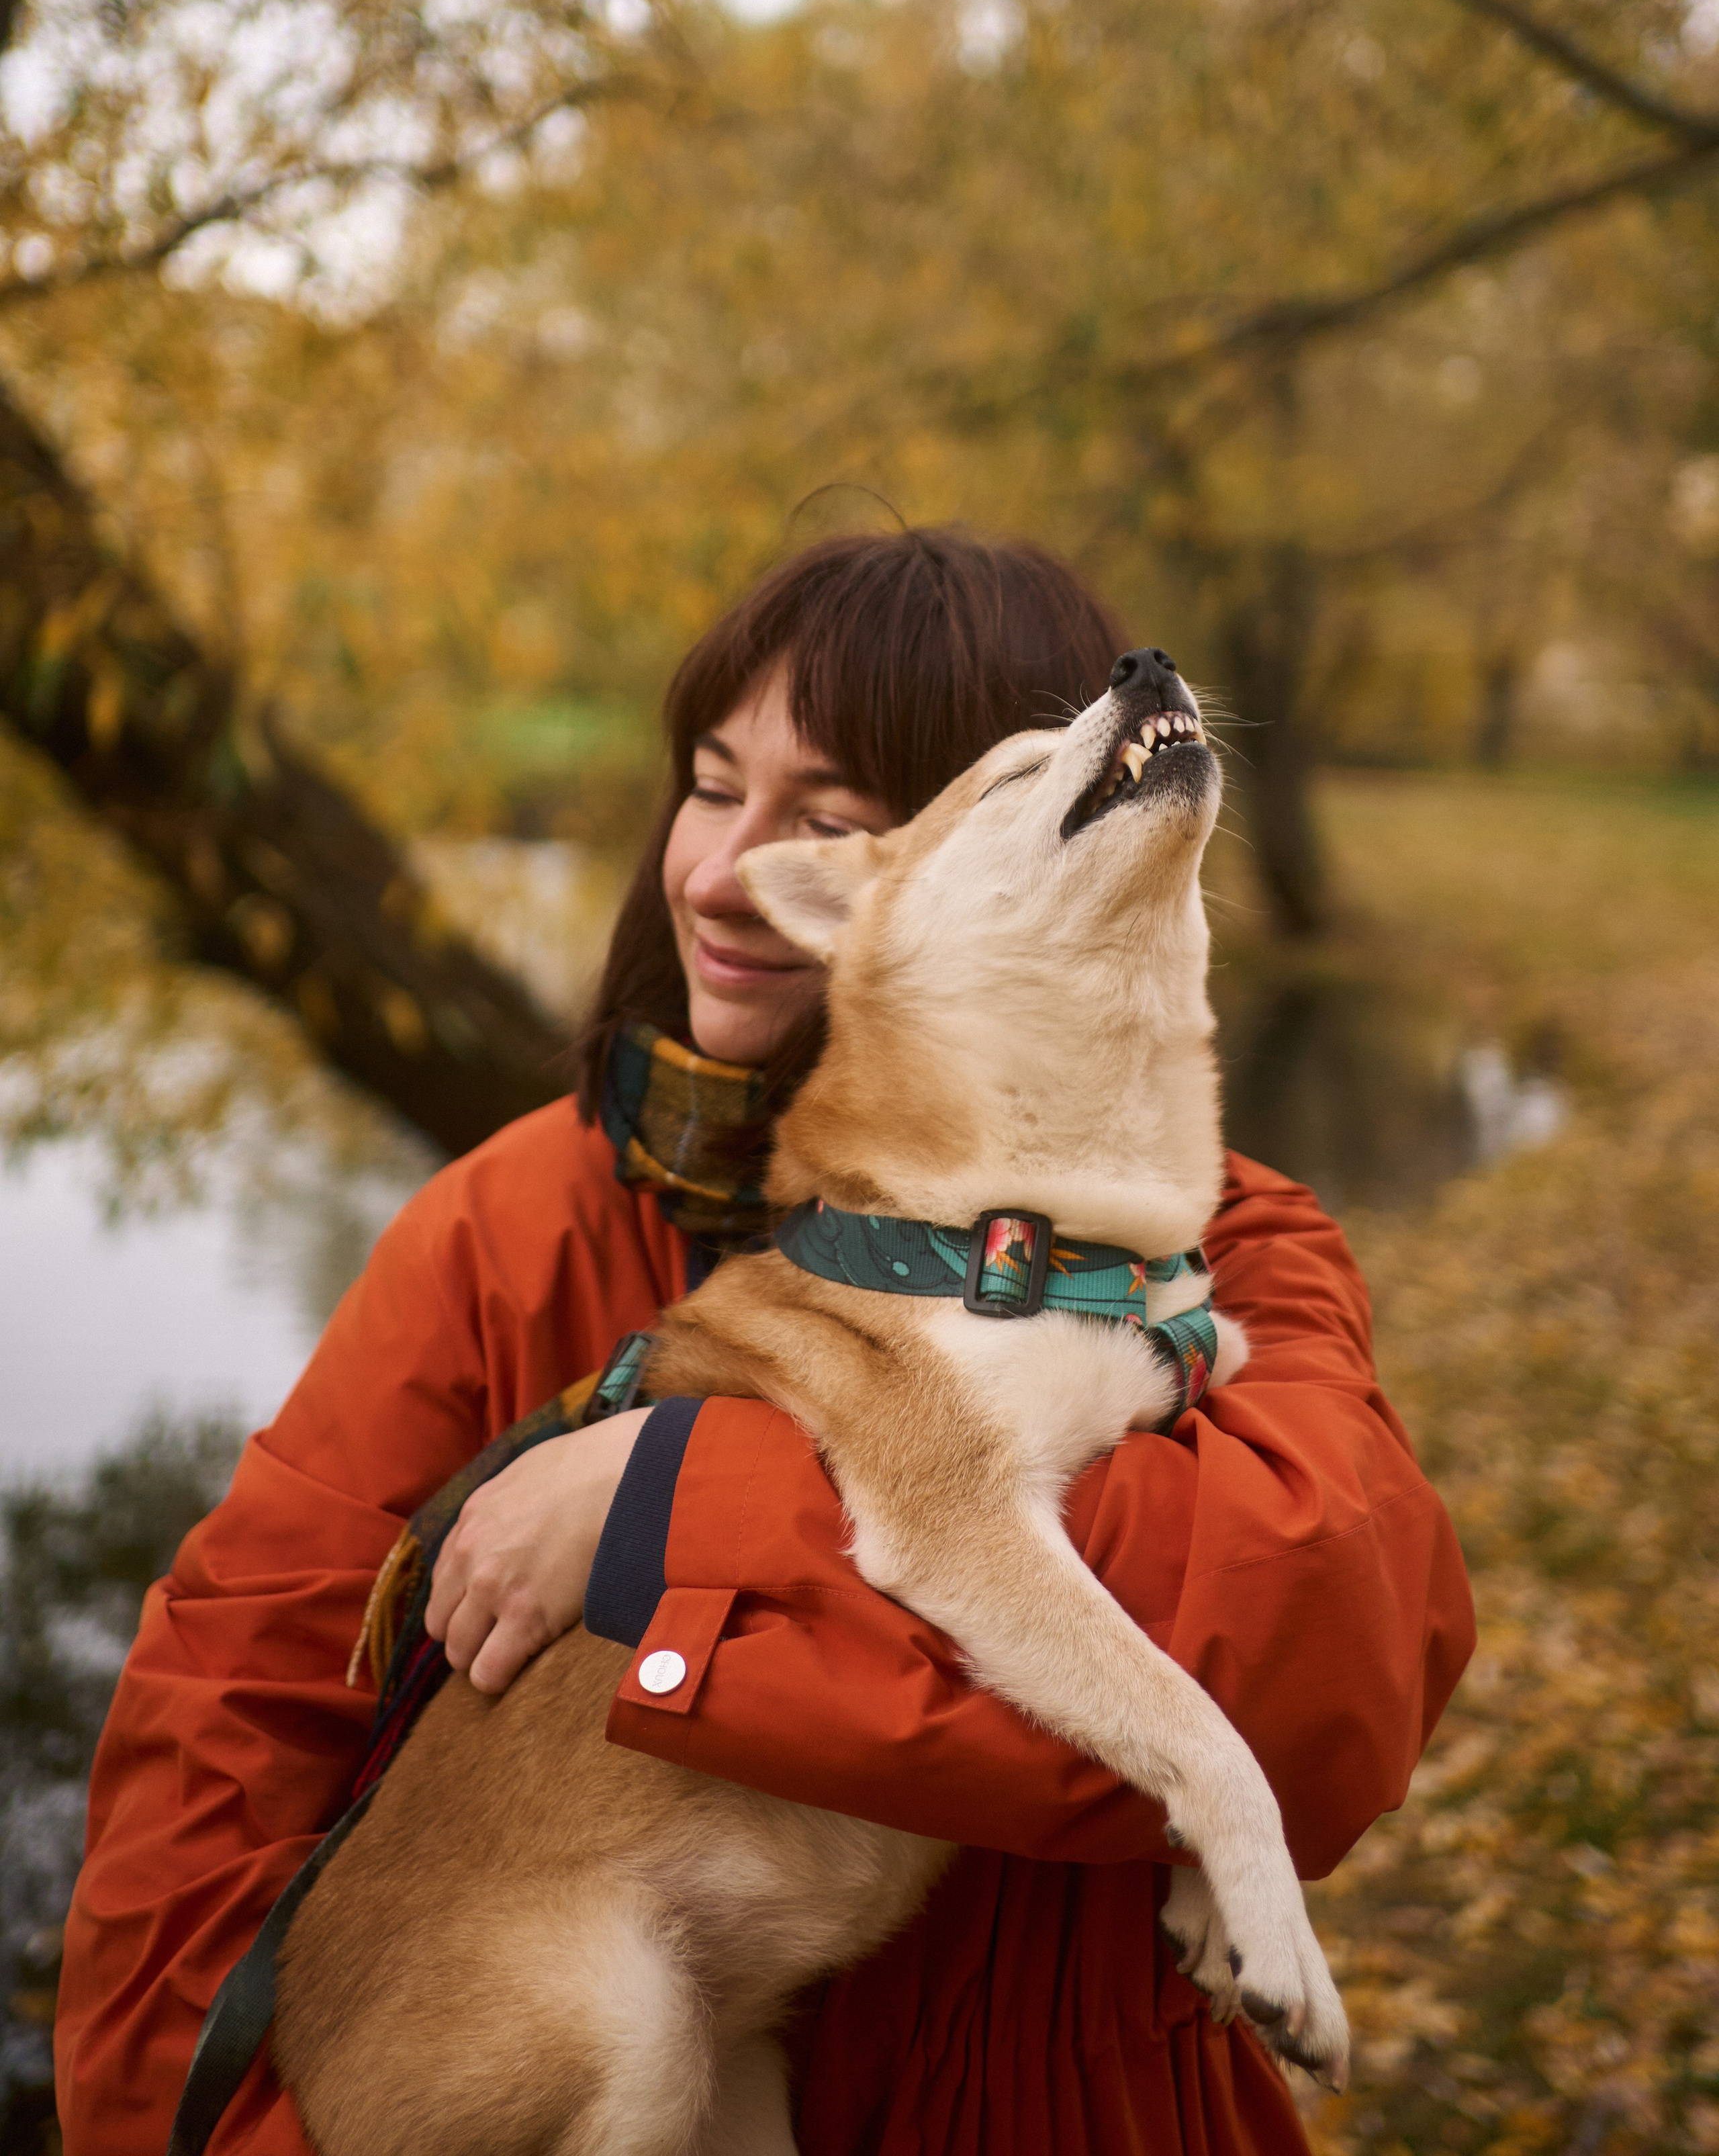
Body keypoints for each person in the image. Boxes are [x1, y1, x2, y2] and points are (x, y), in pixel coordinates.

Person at [54, 526, 1475, 2156]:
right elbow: (212, 1747)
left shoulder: (1218, 1235)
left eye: (829, 817)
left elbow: (1333, 1678)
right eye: (711, 785)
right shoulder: (503, 1232)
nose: (722, 871)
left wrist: (679, 1500)